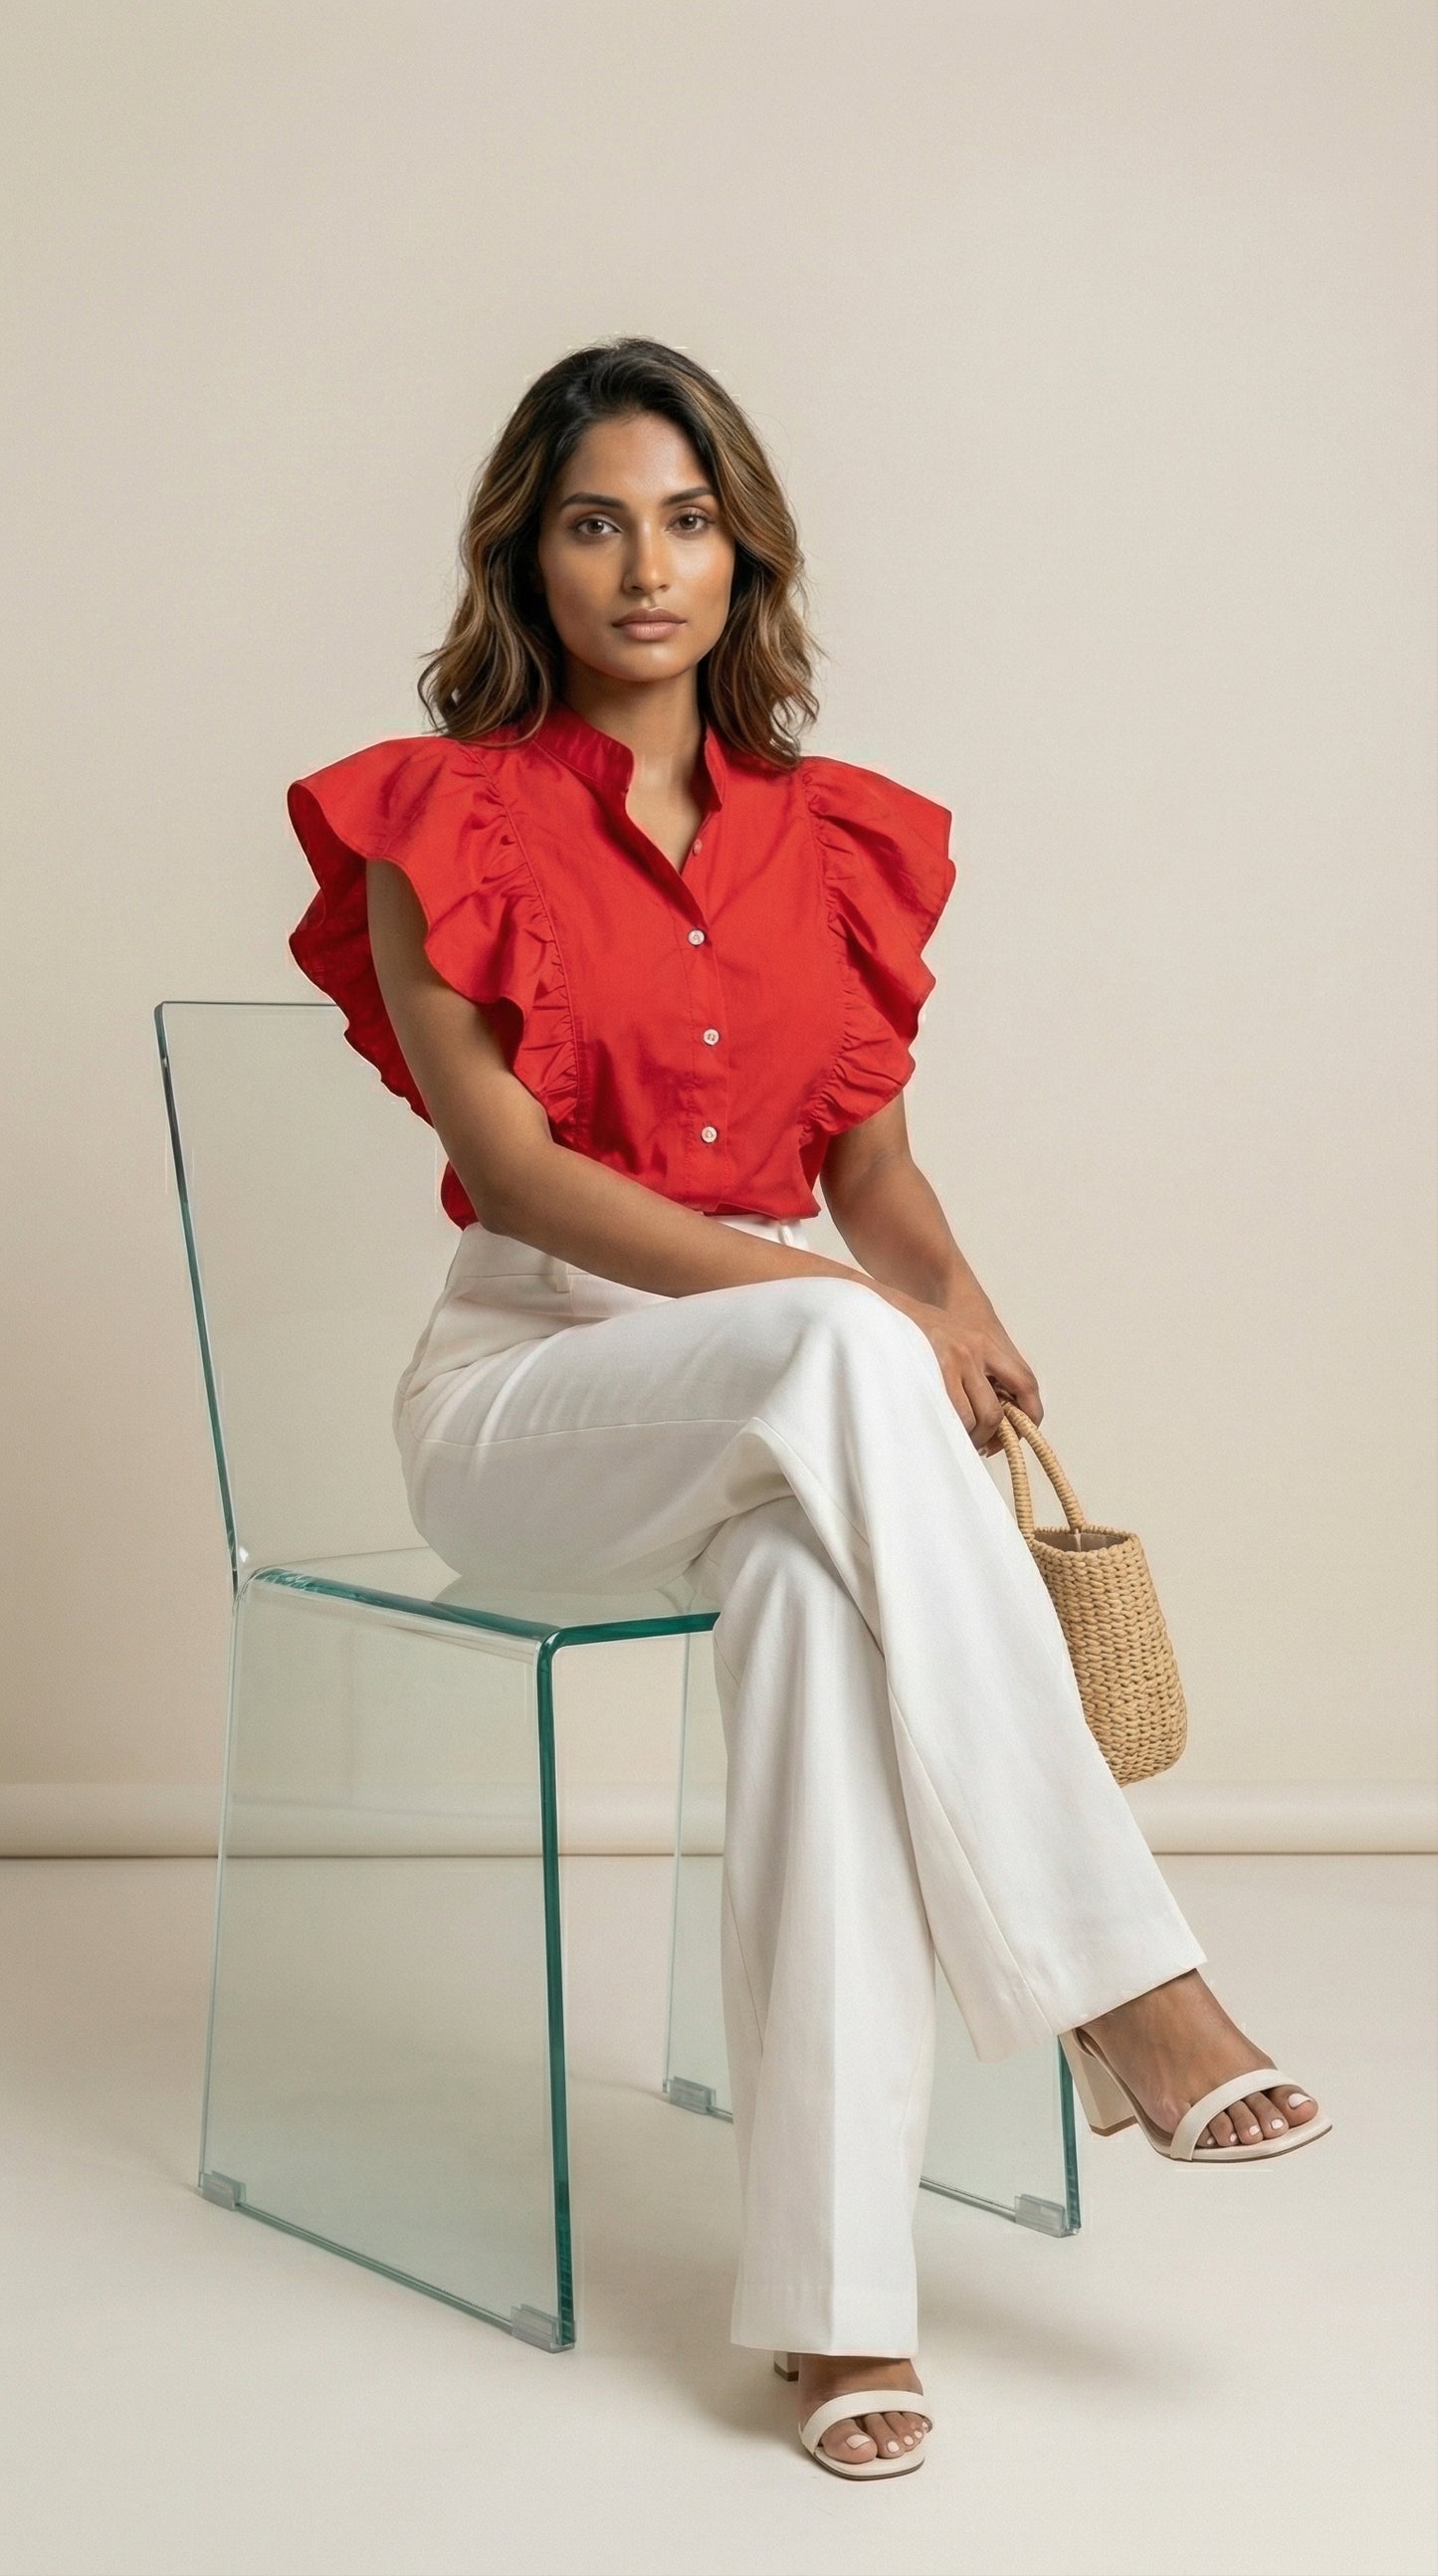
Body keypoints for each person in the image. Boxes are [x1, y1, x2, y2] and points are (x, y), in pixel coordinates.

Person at [285, 335, 1330, 2482]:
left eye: (683, 516)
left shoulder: (826, 840)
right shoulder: (438, 815)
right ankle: (1128, 1981)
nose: (642, 563)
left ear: (743, 542)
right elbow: (529, 1175)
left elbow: (871, 1176)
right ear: (528, 553)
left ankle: (837, 2306)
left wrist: (961, 1301)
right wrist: (864, 1315)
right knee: (840, 1346)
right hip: (535, 1395)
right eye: (593, 520)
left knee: (811, 1620)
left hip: (778, 1397)